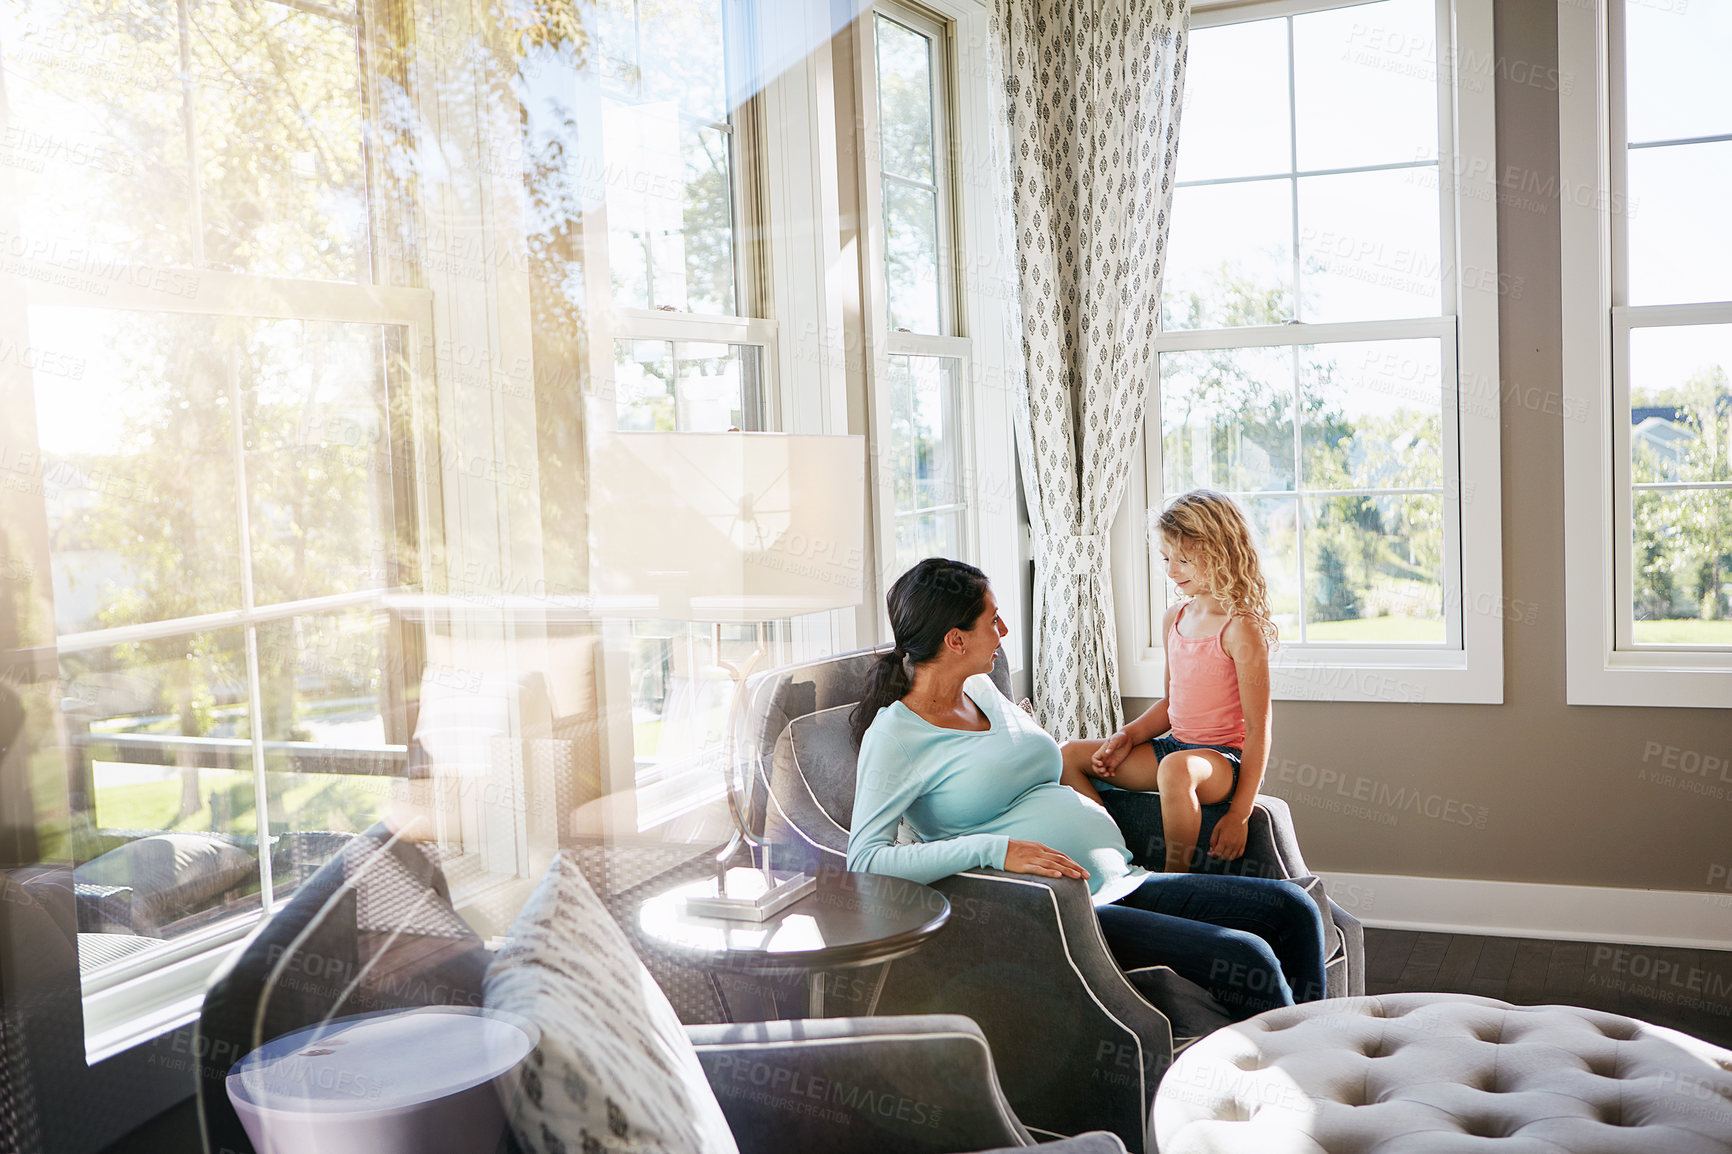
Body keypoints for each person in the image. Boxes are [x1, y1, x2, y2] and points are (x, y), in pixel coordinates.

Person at [845, 557, 1324, 1019]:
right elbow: (865, 861)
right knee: (1245, 957)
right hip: (1065, 911)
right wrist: (995, 849)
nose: (1005, 633)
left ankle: (1330, 1055)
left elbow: (1033, 767)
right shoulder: (895, 737)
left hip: (1124, 877)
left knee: (1294, 909)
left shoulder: (983, 689)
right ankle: (1285, 1088)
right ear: (955, 639)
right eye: (994, 621)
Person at [1059, 490, 1276, 873]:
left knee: (1176, 769)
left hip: (1222, 761)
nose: (1172, 570)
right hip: (1174, 747)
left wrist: (1240, 814)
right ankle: (1114, 851)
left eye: (1184, 560)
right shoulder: (1174, 618)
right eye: (1166, 559)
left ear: (1222, 552)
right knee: (1067, 755)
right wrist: (1127, 736)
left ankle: (1175, 878)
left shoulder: (1240, 628)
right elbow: (1169, 705)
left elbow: (1259, 730)